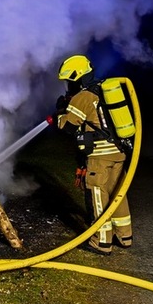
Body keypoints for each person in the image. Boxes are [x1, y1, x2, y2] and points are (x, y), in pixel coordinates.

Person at [55, 54, 133, 255]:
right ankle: (124, 236)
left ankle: (101, 241)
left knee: (97, 196)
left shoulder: (83, 97)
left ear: (78, 77)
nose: (68, 85)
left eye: (69, 81)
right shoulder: (103, 91)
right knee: (118, 194)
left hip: (99, 157)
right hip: (118, 152)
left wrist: (59, 115)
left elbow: (69, 127)